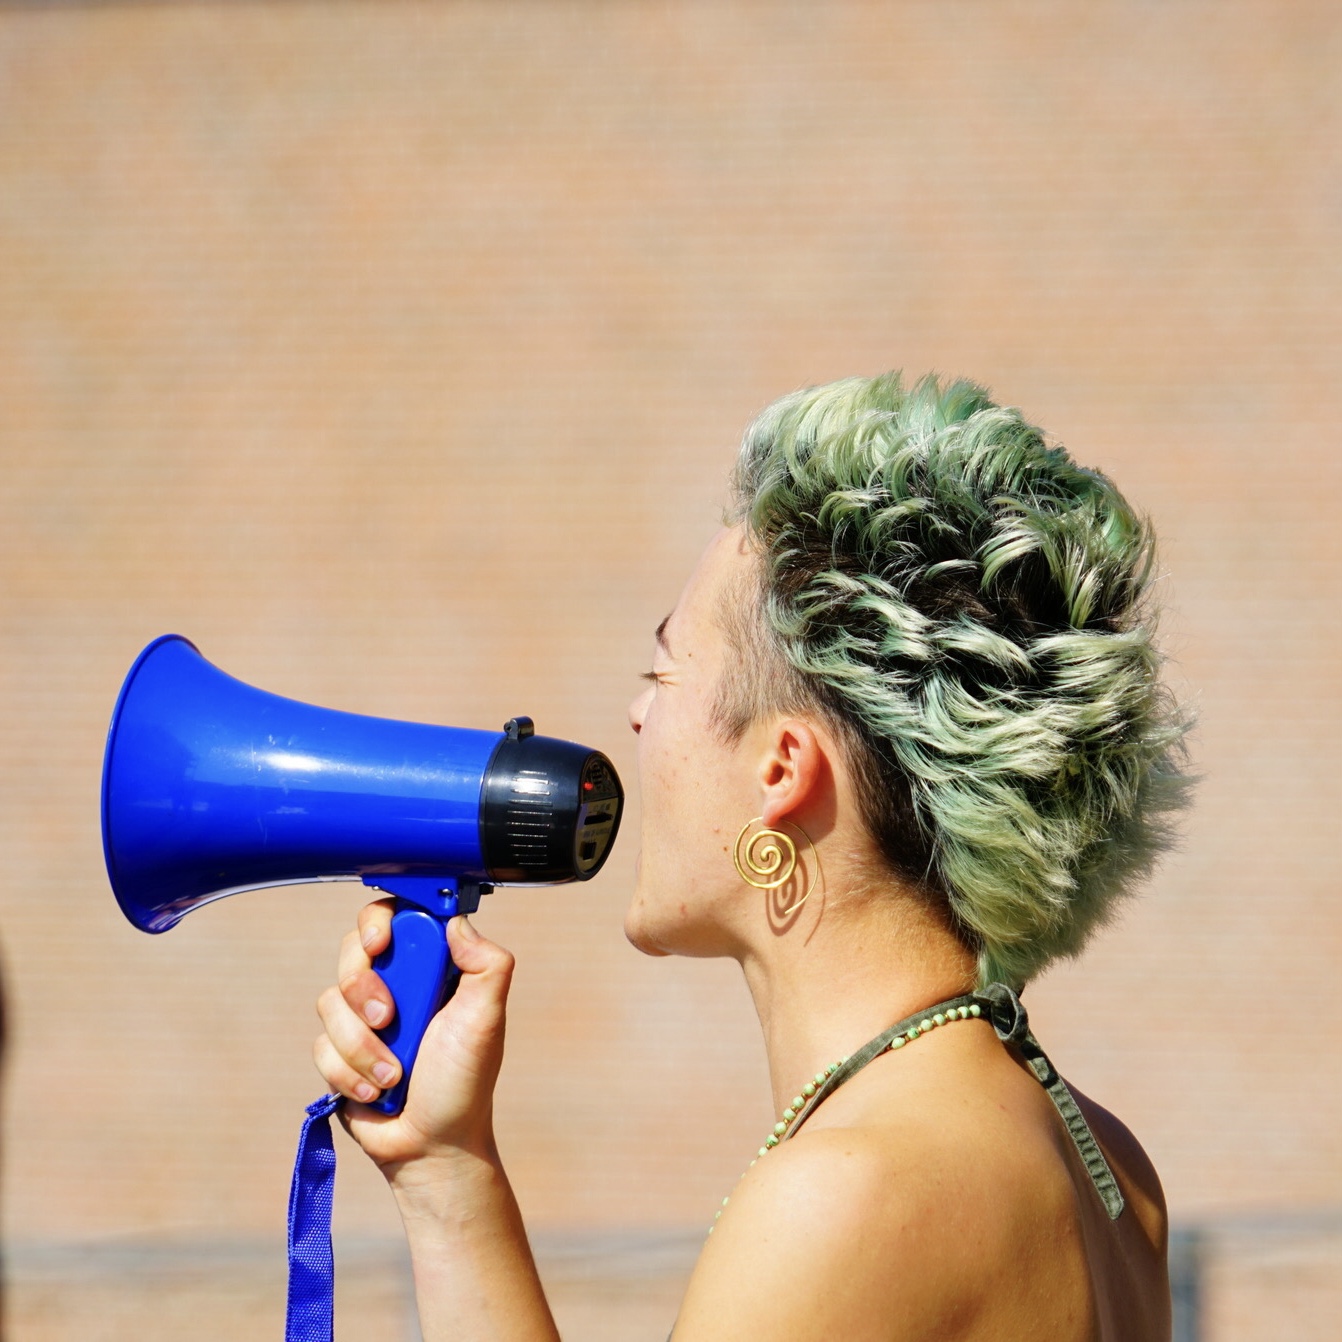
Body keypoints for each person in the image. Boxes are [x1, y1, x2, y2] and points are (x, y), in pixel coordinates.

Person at [313, 371, 1189, 1340]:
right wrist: (447, 1167)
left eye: (663, 668)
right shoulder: (1103, 1161)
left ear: (781, 767)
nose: (639, 713)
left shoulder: (844, 1196)